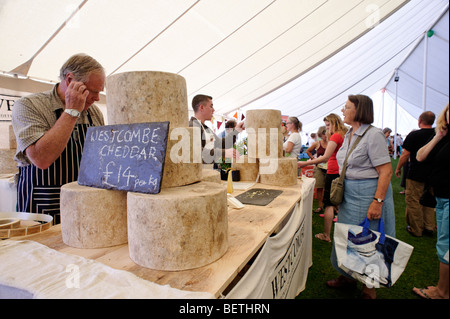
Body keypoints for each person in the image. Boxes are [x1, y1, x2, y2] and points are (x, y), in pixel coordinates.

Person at [12, 53, 106, 224]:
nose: (97, 98)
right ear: (70, 80)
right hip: (41, 209)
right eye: (92, 91)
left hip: (83, 206)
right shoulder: (29, 106)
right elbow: (41, 159)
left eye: (99, 92)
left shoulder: (94, 112)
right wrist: (71, 111)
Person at [328, 94, 395, 300]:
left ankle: (369, 289)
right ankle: (347, 277)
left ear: (359, 111)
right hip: (351, 194)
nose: (343, 110)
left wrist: (377, 202)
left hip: (368, 194)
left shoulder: (373, 135)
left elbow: (386, 171)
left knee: (368, 241)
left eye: (346, 107)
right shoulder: (349, 133)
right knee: (347, 236)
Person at [413, 103, 449, 299]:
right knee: (444, 243)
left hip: (447, 198)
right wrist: (437, 136)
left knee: (446, 244)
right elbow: (419, 156)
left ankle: (442, 292)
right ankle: (442, 288)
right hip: (441, 198)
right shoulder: (444, 137)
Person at [298, 114, 347, 242]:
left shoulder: (336, 136)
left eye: (328, 125)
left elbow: (325, 157)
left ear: (333, 123)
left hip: (333, 171)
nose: (326, 129)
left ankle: (326, 235)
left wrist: (305, 163)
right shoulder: (344, 134)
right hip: (341, 171)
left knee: (329, 204)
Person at [395, 111, 436, 237]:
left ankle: (416, 229)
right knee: (429, 200)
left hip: (416, 173)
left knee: (414, 201)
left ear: (419, 121)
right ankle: (429, 227)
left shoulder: (414, 135)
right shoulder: (438, 135)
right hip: (433, 174)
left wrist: (398, 168)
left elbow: (405, 154)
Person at [189, 94, 243, 165]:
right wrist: (224, 152)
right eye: (211, 106)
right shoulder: (192, 126)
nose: (213, 110)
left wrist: (236, 131)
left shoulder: (206, 128)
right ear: (201, 107)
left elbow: (221, 144)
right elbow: (199, 154)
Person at [306, 126, 328, 213]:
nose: (325, 136)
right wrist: (313, 159)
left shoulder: (332, 143)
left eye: (326, 134)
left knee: (329, 188)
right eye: (323, 135)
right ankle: (320, 206)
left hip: (329, 168)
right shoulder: (317, 143)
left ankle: (331, 206)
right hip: (319, 168)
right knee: (319, 187)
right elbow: (308, 151)